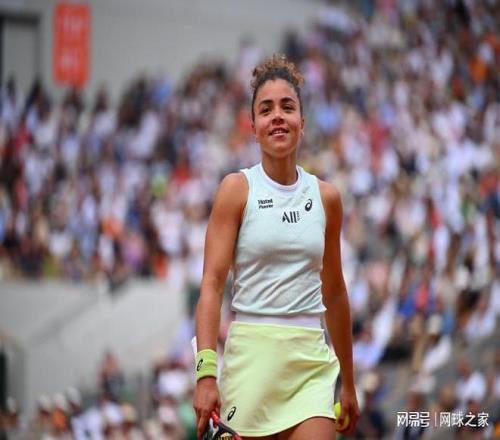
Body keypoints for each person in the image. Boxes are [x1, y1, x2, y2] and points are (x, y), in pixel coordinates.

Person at [193, 54, 359, 439]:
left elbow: (335, 291)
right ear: (253, 127)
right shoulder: (236, 190)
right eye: (266, 110)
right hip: (251, 362)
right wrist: (205, 373)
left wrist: (348, 383)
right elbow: (212, 285)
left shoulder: (327, 198)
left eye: (288, 106)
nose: (278, 116)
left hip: (310, 365)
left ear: (302, 121)